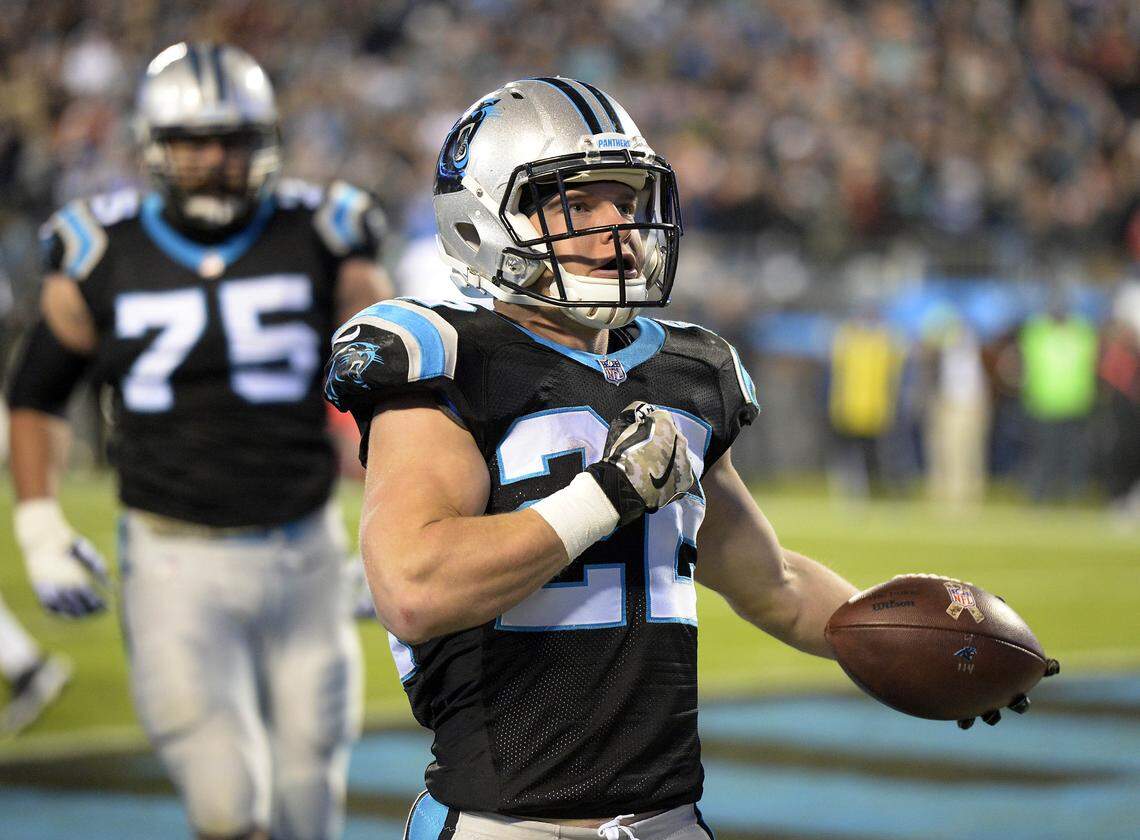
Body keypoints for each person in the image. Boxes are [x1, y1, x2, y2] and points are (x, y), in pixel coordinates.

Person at [325, 78, 1045, 840]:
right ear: (482, 220)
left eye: (627, 200)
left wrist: (937, 647)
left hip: (667, 821)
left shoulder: (690, 371)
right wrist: (606, 493)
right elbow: (414, 586)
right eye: (580, 203)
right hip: (500, 821)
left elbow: (775, 583)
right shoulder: (447, 357)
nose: (618, 228)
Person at [7, 42, 391, 840]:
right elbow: (37, 391)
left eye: (233, 139)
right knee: (225, 808)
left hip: (305, 553)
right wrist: (38, 523)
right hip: (173, 557)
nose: (214, 159)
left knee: (308, 799)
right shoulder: (97, 247)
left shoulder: (325, 230)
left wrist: (391, 521)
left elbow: (396, 385)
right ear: (154, 144)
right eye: (193, 141)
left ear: (266, 140)